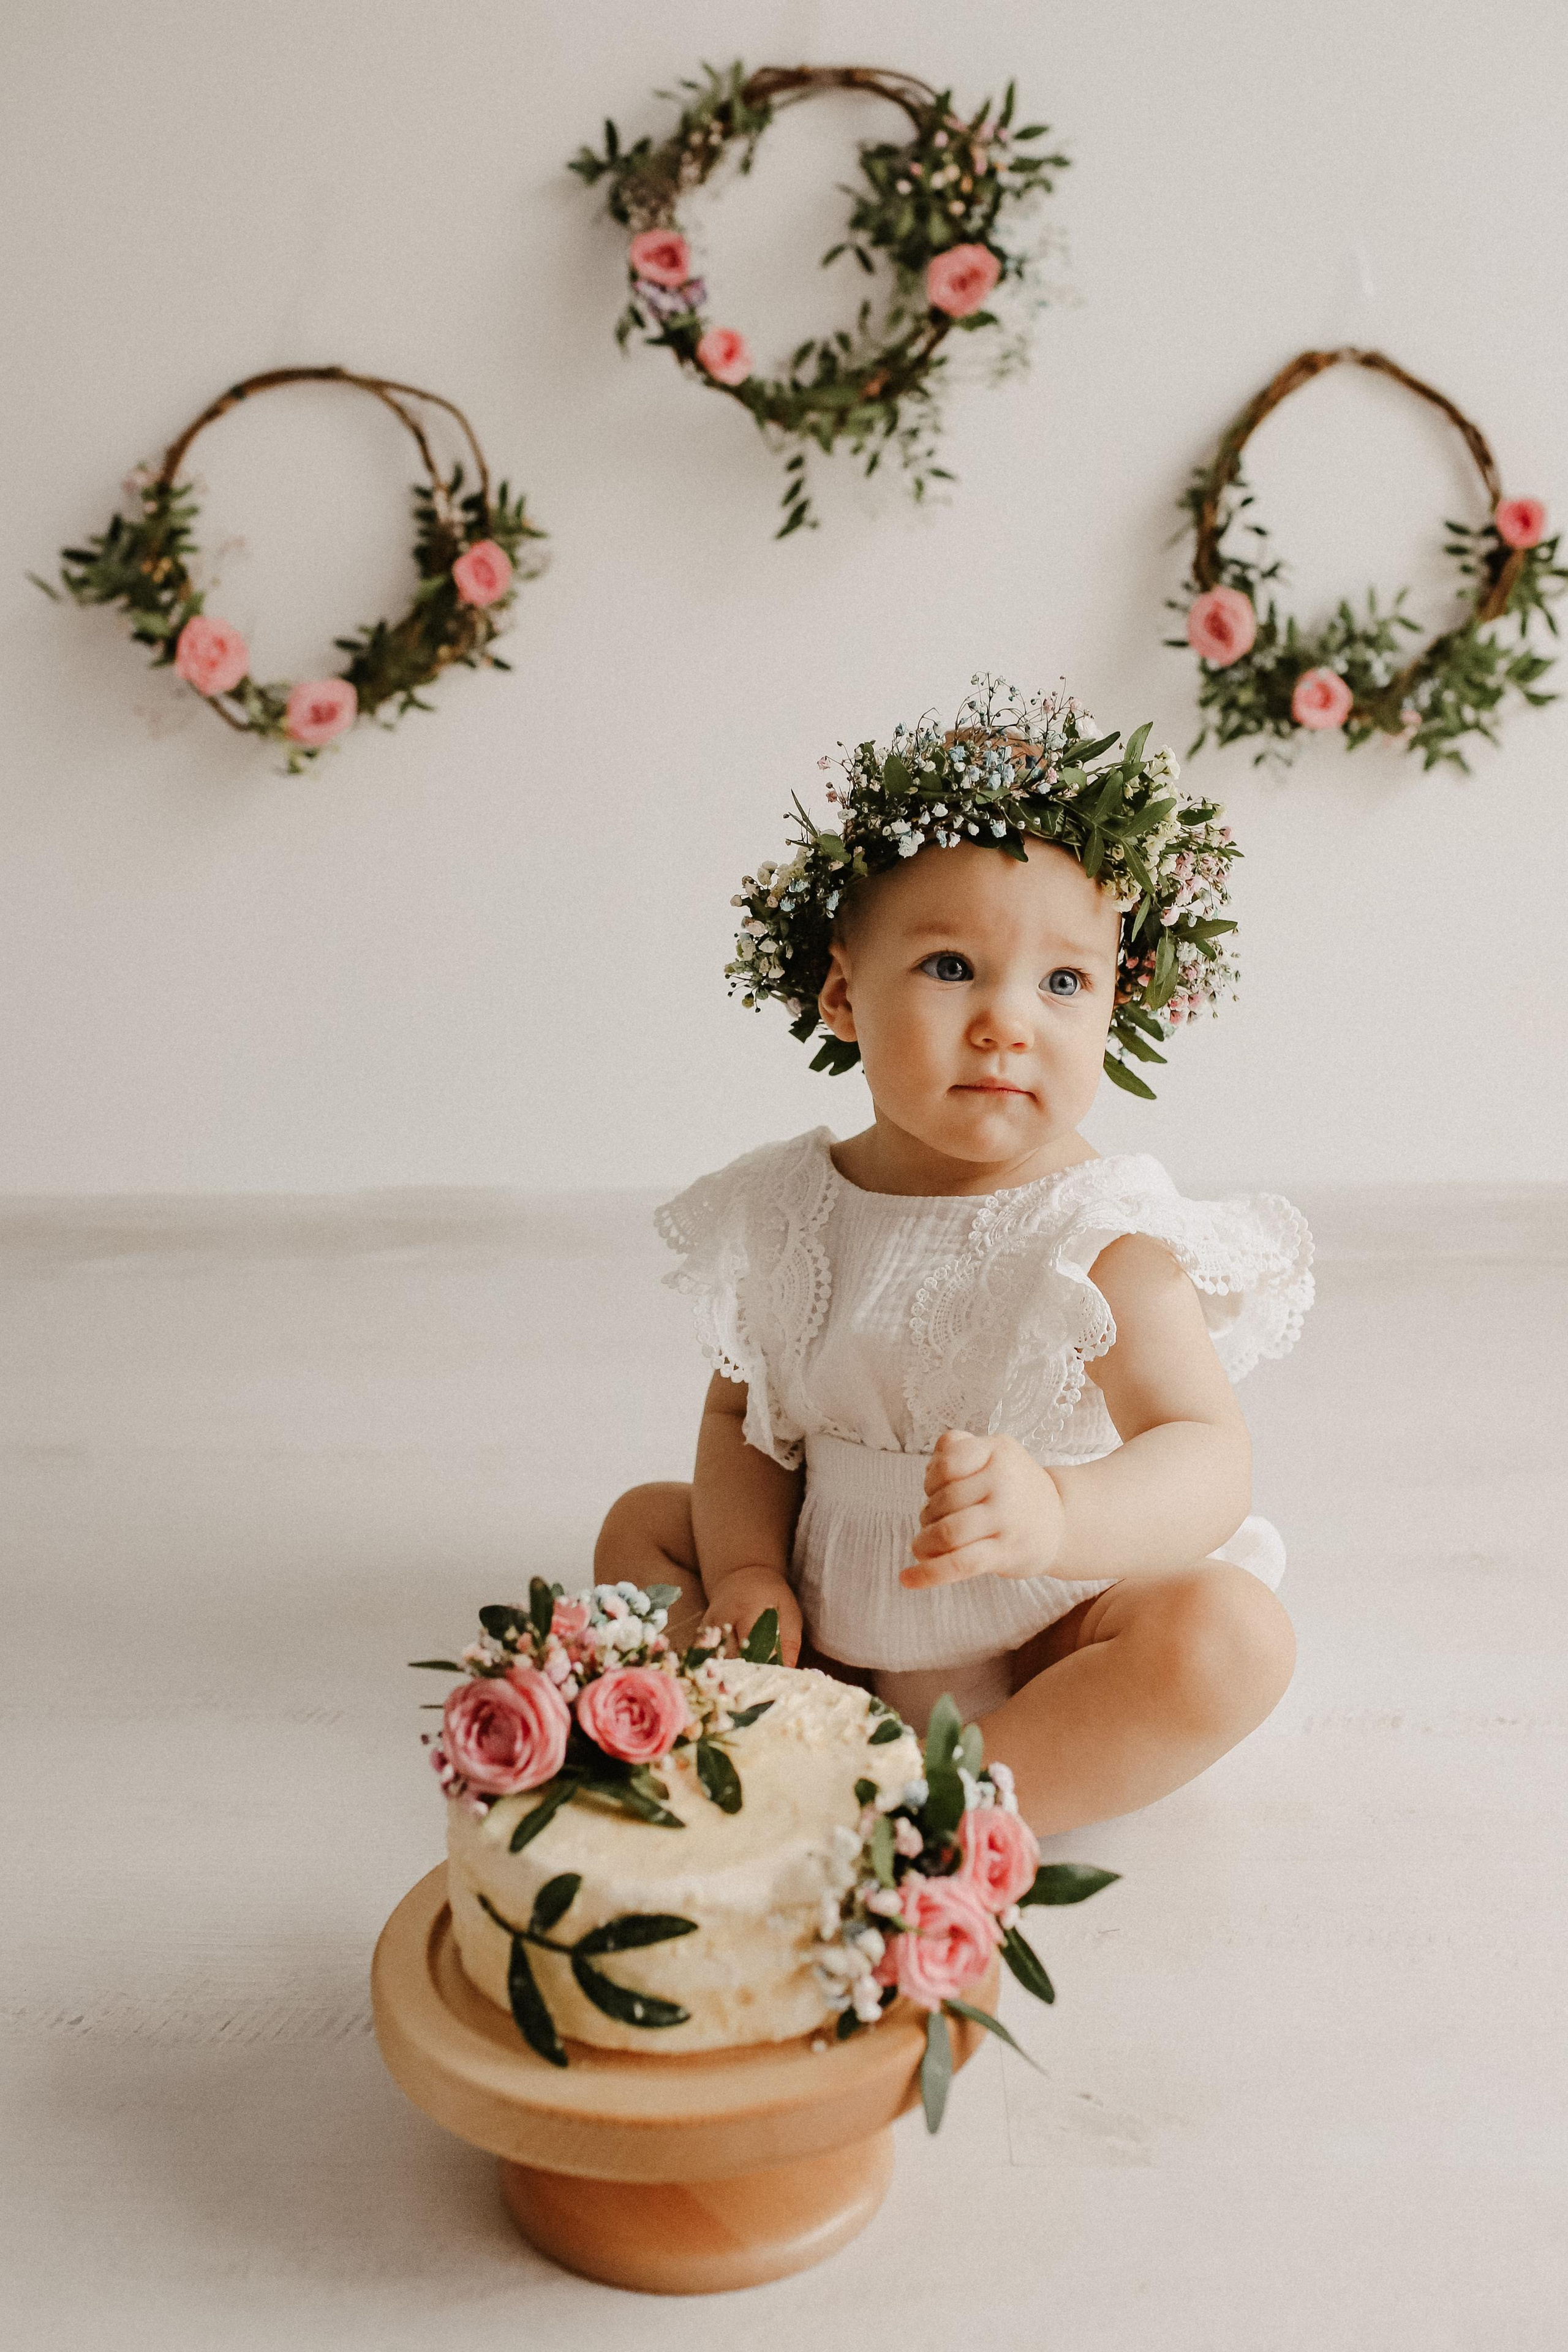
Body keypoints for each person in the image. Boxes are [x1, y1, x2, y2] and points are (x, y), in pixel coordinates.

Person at [597, 680, 1311, 1835]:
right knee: (643, 1527)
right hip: (826, 1623)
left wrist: (1063, 1515)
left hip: (1044, 1631)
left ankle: (946, 1811)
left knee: (1231, 1639)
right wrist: (744, 1577)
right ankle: (777, 1730)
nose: (1007, 1022)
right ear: (842, 991)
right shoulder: (792, 1209)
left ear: (1115, 1004)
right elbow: (745, 1425)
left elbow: (1208, 1453)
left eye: (1063, 982)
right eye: (950, 967)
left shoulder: (1103, 1233)